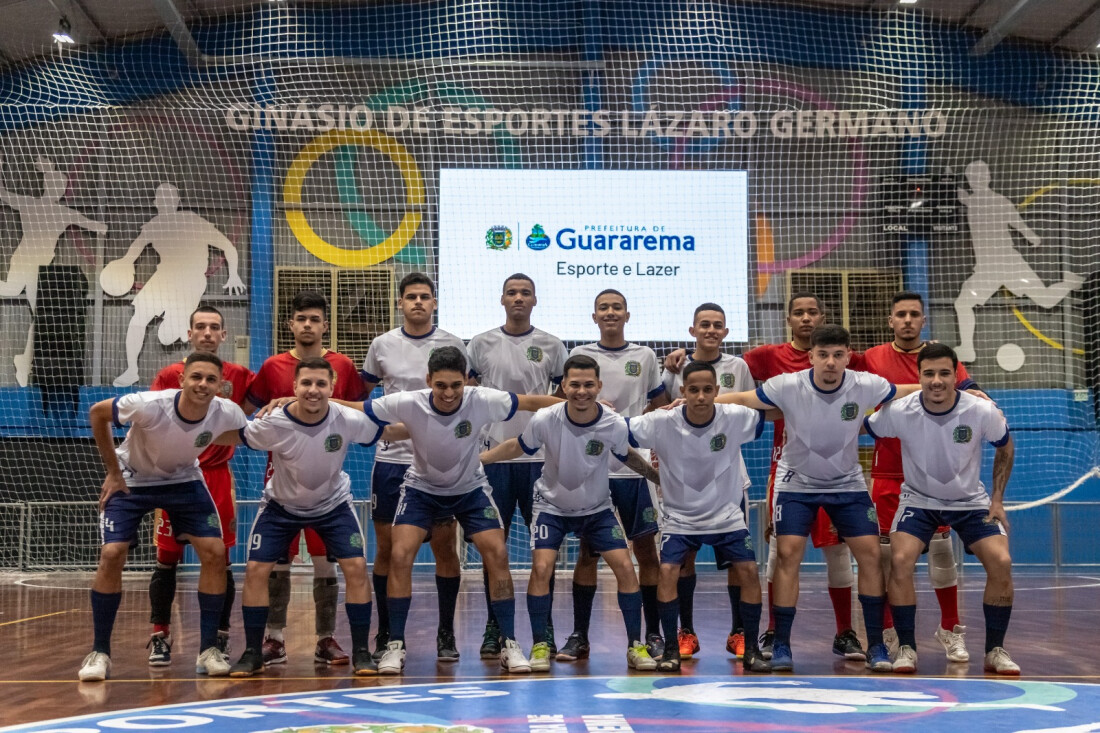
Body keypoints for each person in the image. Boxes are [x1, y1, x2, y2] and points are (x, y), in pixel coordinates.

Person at [667, 293, 863, 661]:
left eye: (812, 312)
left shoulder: (839, 357)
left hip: (835, 470)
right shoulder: (762, 357)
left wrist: (924, 351)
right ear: (788, 319)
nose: (806, 319)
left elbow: (883, 360)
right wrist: (677, 355)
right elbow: (696, 376)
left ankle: (842, 632)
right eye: (798, 313)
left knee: (835, 552)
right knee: (777, 553)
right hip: (784, 467)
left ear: (822, 318)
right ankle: (766, 632)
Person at [715, 324, 917, 673]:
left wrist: (963, 390)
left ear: (847, 357)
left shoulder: (865, 384)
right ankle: (781, 645)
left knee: (870, 556)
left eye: (838, 355)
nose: (830, 362)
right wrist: (697, 400)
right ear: (811, 357)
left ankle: (876, 647)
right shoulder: (788, 385)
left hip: (848, 484)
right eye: (822, 355)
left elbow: (905, 391)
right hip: (796, 484)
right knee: (788, 555)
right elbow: (744, 400)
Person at [361, 346, 562, 674]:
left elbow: (532, 401)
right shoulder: (408, 401)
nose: (449, 392)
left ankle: (509, 642)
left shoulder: (482, 398)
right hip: (421, 489)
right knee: (399, 555)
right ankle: (394, 644)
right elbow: (358, 408)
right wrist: (301, 405)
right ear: (429, 381)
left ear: (465, 383)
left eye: (456, 385)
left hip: (470, 489)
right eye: (441, 385)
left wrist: (578, 404)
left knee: (496, 552)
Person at [222, 358, 407, 677]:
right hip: (281, 506)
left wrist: (439, 423)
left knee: (357, 566)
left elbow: (390, 431)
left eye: (321, 384)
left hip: (333, 505)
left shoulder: (347, 418)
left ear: (332, 387)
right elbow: (234, 436)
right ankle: (253, 652)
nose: (313, 390)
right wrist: (185, 431)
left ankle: (361, 652)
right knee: (255, 569)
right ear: (294, 387)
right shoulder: (274, 421)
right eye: (306, 383)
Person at [480, 354, 660, 673]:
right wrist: (482, 459)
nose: (581, 391)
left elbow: (628, 455)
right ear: (563, 386)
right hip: (552, 508)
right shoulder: (546, 418)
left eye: (588, 384)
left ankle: (636, 644)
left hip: (597, 510)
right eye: (574, 384)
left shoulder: (612, 423)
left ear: (599, 386)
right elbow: (516, 446)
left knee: (625, 567)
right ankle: (539, 645)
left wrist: (657, 477)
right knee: (542, 567)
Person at [79, 352, 247, 681]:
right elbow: (98, 413)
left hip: (183, 480)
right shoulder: (150, 404)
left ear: (220, 385)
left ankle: (209, 649)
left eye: (211, 379)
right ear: (182, 379)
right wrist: (113, 471)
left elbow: (243, 435)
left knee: (215, 552)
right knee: (112, 553)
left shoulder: (227, 411)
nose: (203, 384)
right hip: (133, 478)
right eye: (196, 377)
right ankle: (99, 652)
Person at [864, 343, 1018, 675]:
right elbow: (861, 428)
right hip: (919, 500)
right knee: (901, 560)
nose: (937, 381)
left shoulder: (981, 411)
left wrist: (997, 500)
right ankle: (906, 647)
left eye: (944, 373)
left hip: (970, 502)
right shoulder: (900, 411)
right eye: (929, 373)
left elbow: (1005, 448)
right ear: (918, 376)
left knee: (1001, 561)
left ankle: (995, 650)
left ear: (956, 375)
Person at [244, 290, 366, 667]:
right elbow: (251, 412)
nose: (308, 325)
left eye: (315, 319)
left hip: (326, 474)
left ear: (325, 325)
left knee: (325, 562)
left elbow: (360, 408)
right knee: (275, 564)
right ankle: (273, 638)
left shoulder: (343, 365)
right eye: (302, 319)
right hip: (281, 476)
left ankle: (326, 638)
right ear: (291, 324)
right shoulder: (272, 366)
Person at [629, 361, 772, 674]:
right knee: (668, 571)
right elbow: (620, 430)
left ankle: (750, 647)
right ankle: (670, 648)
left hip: (726, 516)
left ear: (717, 391)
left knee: (748, 569)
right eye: (693, 390)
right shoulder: (661, 422)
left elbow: (770, 409)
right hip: (681, 518)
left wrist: (733, 400)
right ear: (683, 392)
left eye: (708, 389)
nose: (701, 396)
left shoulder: (733, 417)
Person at [862, 292, 978, 662]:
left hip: (935, 475)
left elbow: (971, 392)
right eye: (901, 314)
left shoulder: (940, 359)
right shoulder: (871, 358)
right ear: (890, 320)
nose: (908, 320)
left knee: (943, 555)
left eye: (914, 314)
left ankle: (951, 628)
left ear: (923, 320)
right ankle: (891, 633)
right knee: (889, 561)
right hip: (888, 473)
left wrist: (983, 399)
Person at [359, 272, 468, 662]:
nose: (418, 302)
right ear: (400, 303)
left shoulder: (453, 344)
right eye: (411, 297)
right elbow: (362, 400)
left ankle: (445, 634)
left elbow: (466, 398)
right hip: (391, 462)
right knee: (389, 551)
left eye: (425, 296)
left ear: (434, 302)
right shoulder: (382, 344)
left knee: (444, 547)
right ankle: (388, 634)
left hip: (439, 464)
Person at [146, 306, 254, 671]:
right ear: (189, 333)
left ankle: (218, 640)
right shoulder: (168, 375)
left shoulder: (239, 375)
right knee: (166, 560)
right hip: (174, 476)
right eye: (200, 327)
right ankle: (160, 636)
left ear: (224, 336)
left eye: (215, 328)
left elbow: (263, 404)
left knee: (220, 561)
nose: (207, 333)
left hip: (217, 478)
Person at [562, 289, 666, 661]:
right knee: (588, 555)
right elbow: (564, 402)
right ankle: (579, 635)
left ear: (627, 314)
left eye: (616, 307)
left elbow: (658, 407)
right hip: (594, 473)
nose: (610, 312)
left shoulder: (645, 356)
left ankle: (652, 633)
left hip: (634, 473)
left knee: (646, 553)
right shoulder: (581, 359)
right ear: (594, 316)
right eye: (603, 307)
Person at [467, 273, 567, 658]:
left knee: (545, 550)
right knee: (494, 548)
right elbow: (469, 394)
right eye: (512, 292)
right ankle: (495, 627)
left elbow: (562, 396)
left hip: (540, 460)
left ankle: (544, 630)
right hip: (495, 459)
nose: (519, 298)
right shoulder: (480, 344)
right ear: (502, 299)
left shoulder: (552, 345)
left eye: (526, 293)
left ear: (535, 300)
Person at [653, 302, 753, 660]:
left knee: (737, 563)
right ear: (692, 330)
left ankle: (740, 632)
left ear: (726, 331)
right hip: (684, 480)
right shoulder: (674, 367)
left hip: (727, 479)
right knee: (683, 561)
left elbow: (749, 409)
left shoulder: (737, 366)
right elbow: (663, 411)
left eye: (718, 325)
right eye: (704, 324)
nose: (711, 330)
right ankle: (686, 632)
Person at [111, 183, 247, 387]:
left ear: (176, 201)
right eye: (160, 198)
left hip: (190, 280)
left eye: (168, 198)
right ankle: (131, 370)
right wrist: (124, 264)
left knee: (166, 337)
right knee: (138, 317)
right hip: (163, 276)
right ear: (156, 202)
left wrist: (234, 275)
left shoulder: (193, 221)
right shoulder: (153, 225)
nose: (163, 202)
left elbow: (227, 246)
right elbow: (134, 251)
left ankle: (175, 326)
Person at [954, 160, 1082, 363]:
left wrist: (1032, 237)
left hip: (1007, 263)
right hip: (990, 268)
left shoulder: (997, 201)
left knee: (1046, 301)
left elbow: (1018, 223)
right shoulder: (974, 201)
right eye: (972, 176)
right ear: (970, 180)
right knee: (962, 303)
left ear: (987, 178)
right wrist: (948, 178)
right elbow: (962, 196)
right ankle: (968, 349)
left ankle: (1070, 283)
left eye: (979, 175)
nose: (976, 179)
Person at [0, 153, 108, 387]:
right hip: (24, 261)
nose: (59, 190)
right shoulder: (31, 203)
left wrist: (103, 226)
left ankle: (24, 360)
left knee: (38, 315)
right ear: (48, 185)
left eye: (62, 187)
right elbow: (3, 194)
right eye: (56, 185)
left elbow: (96, 226)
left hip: (42, 271)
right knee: (17, 294)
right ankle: (23, 360)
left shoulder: (62, 212)